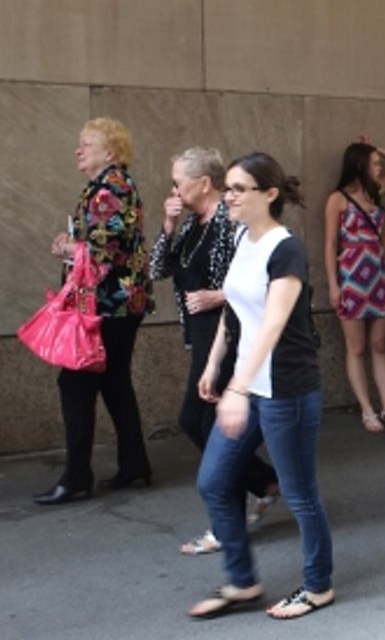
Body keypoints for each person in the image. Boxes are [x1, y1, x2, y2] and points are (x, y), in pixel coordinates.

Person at [190, 152, 334, 620]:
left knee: (300, 495)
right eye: (226, 187)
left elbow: (272, 324)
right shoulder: (239, 237)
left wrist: (237, 388)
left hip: (286, 389)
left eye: (237, 188)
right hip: (250, 383)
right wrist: (213, 365)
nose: (227, 195)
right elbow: (233, 312)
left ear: (269, 194)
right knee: (213, 481)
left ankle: (317, 587)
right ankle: (242, 582)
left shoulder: (285, 248)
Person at [151, 147, 279, 554]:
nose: (173, 189)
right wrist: (168, 224)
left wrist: (215, 296)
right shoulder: (192, 224)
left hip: (229, 334)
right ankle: (261, 483)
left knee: (205, 423)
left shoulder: (229, 221)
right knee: (202, 422)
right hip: (202, 336)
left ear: (202, 183)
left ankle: (232, 519)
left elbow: (255, 279)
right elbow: (157, 269)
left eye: (178, 182)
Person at [35, 118, 155, 506]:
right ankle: (134, 465)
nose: (78, 149)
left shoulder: (109, 189)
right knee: (114, 381)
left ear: (110, 150)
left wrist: (68, 249)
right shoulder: (114, 185)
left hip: (108, 304)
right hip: (121, 303)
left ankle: (76, 477)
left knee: (74, 384)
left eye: (86, 143)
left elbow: (105, 250)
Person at [323, 139, 385, 433]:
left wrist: (379, 148)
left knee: (379, 345)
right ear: (359, 165)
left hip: (378, 273)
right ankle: (367, 409)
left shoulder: (375, 192)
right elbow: (329, 244)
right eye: (373, 163)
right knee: (357, 347)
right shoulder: (338, 199)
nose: (378, 167)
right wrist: (334, 286)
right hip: (351, 275)